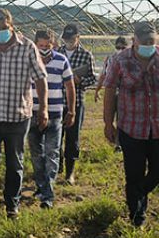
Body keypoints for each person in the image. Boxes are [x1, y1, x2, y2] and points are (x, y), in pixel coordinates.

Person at [103, 22, 159, 227]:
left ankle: (139, 192)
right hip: (131, 128)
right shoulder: (119, 60)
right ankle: (137, 217)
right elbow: (109, 90)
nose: (149, 44)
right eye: (144, 41)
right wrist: (108, 123)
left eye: (152, 40)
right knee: (134, 173)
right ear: (135, 40)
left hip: (158, 127)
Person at [0, 9, 48, 219]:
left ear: (11, 26)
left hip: (18, 115)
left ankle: (12, 205)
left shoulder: (27, 47)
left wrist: (43, 108)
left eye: (4, 28)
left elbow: (41, 78)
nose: (0, 32)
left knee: (15, 162)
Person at [28, 30, 75, 209]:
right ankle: (41, 185)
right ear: (35, 45)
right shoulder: (29, 61)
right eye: (41, 46)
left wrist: (71, 110)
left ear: (53, 45)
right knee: (35, 153)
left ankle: (47, 193)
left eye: (47, 46)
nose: (44, 49)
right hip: (32, 112)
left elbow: (69, 87)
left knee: (52, 152)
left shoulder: (61, 60)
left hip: (55, 112)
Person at [57, 23, 97, 185]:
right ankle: (57, 166)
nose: (68, 41)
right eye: (66, 39)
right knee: (56, 136)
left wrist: (80, 81)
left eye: (71, 39)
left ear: (78, 38)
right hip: (57, 101)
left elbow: (93, 78)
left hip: (77, 102)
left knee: (73, 137)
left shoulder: (86, 55)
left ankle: (70, 172)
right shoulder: (57, 53)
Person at [94, 36, 128, 102]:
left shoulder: (131, 59)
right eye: (118, 48)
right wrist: (97, 90)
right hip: (113, 92)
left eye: (123, 48)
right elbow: (103, 75)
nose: (120, 50)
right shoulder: (110, 59)